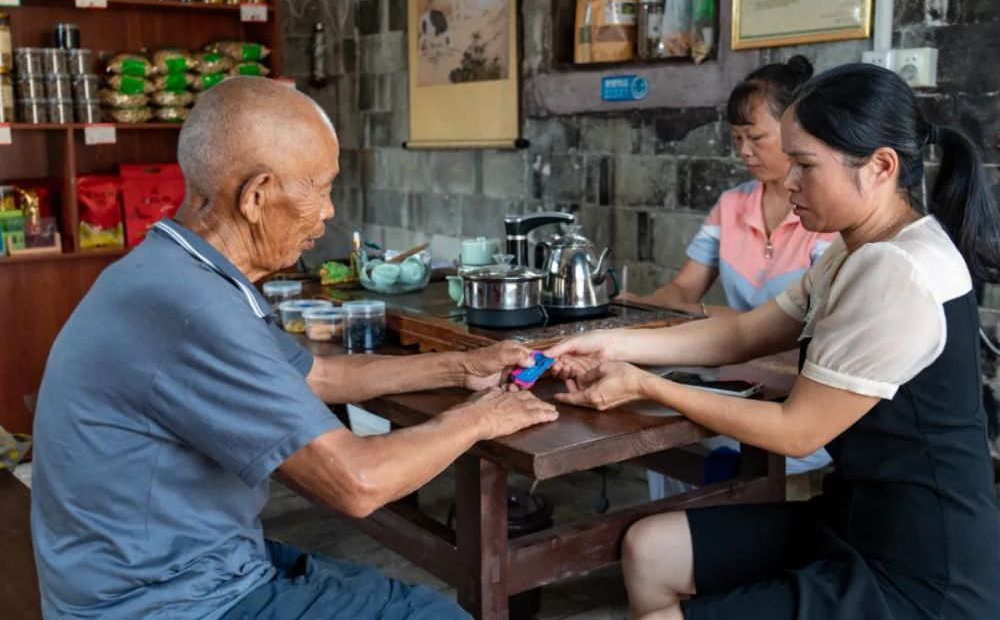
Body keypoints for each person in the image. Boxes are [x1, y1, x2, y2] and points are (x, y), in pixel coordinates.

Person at [30, 78, 558, 620]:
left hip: (176, 567)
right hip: (162, 603)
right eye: (320, 187)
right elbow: (357, 483)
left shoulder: (174, 270)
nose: (328, 212)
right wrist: (478, 418)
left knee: (387, 593)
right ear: (255, 196)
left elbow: (317, 378)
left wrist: (461, 365)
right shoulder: (192, 307)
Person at [547, 63, 1000, 619]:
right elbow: (742, 332)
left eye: (805, 165)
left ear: (881, 166)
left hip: (922, 571)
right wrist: (612, 344)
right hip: (853, 519)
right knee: (649, 549)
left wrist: (646, 386)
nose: (788, 182)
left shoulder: (899, 269)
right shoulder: (855, 249)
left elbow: (796, 430)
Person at [634, 56, 838, 493]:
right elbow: (683, 287)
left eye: (757, 137)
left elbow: (807, 328)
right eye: (737, 138)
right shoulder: (732, 205)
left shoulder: (826, 213)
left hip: (799, 395)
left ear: (794, 130)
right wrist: (630, 316)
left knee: (693, 431)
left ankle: (702, 544)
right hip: (732, 376)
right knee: (651, 428)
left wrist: (704, 313)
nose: (744, 150)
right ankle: (678, 543)